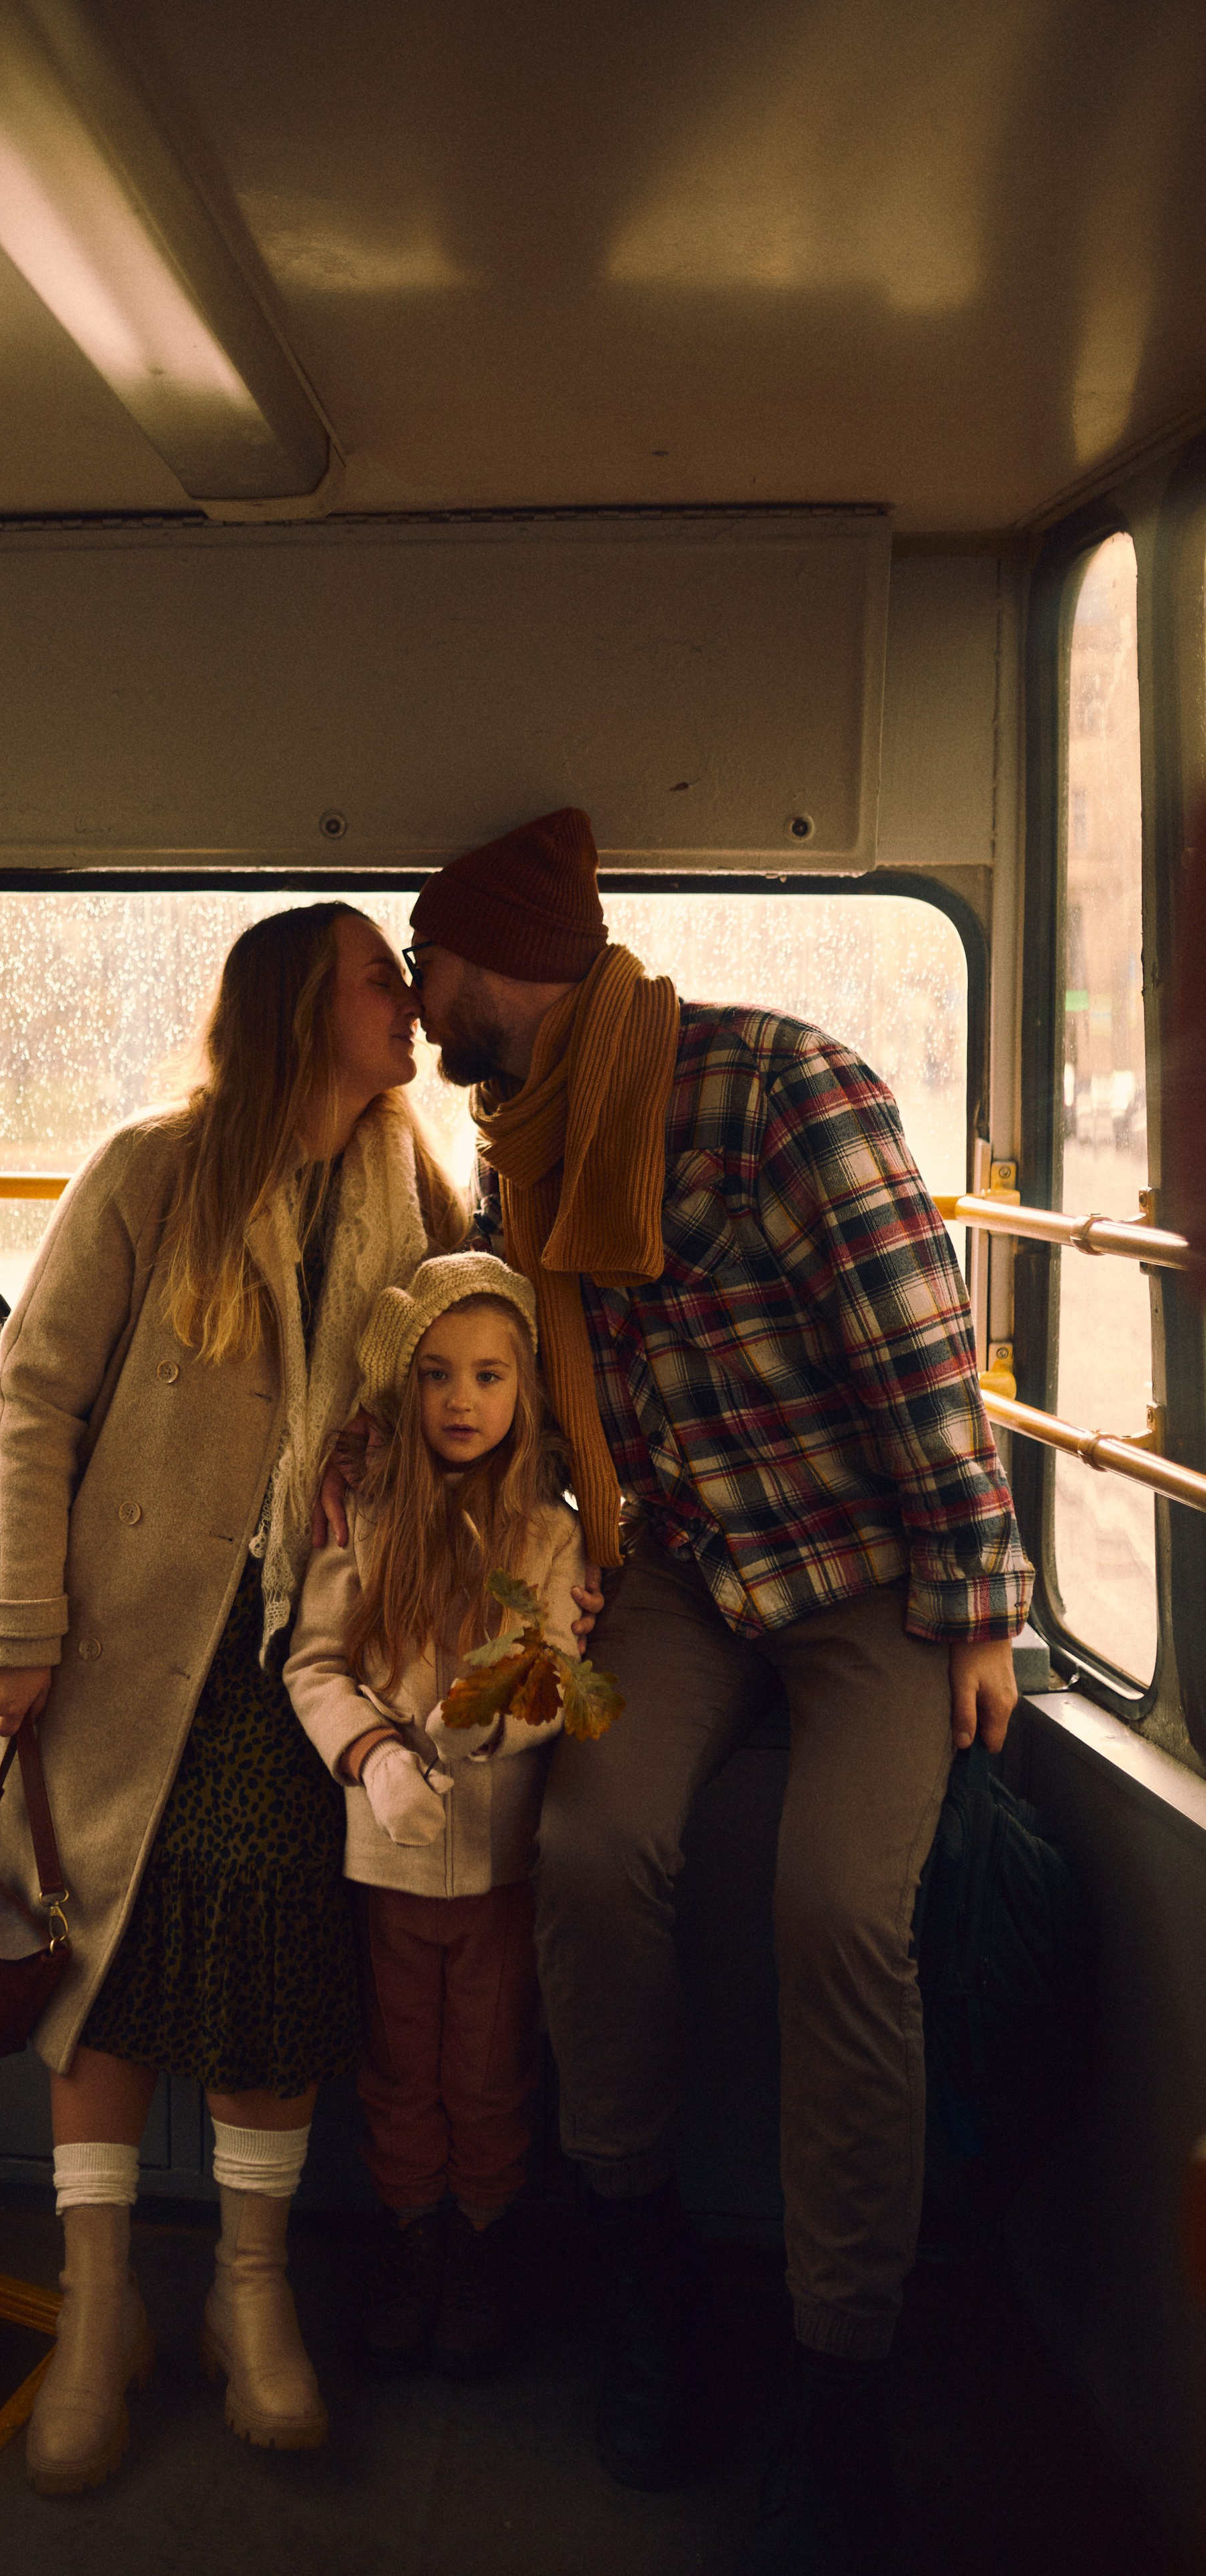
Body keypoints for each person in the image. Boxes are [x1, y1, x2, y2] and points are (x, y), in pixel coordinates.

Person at [402, 808, 1032, 2575]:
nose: (421, 998)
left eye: (429, 962)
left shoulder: (779, 1094)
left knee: (838, 1908)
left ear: (498, 959)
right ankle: (645, 2271)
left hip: (868, 1581)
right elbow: (518, 1375)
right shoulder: (516, 1148)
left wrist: (979, 1605)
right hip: (671, 1573)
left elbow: (920, 1364)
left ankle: (844, 2381)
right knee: (593, 1856)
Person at [0, 904, 462, 2496]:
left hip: (303, 1653)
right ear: (299, 1011)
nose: (411, 1006)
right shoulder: (149, 1173)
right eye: (382, 982)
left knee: (266, 1932)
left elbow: (469, 1372)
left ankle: (251, 2294)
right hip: (119, 1645)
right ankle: (94, 2309)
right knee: (90, 1957)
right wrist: (14, 1628)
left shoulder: (414, 1179)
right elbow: (31, 1396)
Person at [286, 1254, 586, 2378]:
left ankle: (483, 2244)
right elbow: (316, 1664)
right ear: (403, 1389)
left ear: (526, 1393)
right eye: (440, 1376)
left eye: (492, 1377)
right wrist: (372, 1757)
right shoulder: (364, 1517)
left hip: (502, 1859)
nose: (465, 1402)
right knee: (401, 2062)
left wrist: (485, 1719)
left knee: (493, 2064)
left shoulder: (549, 1538)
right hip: (389, 1859)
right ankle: (414, 2241)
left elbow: (553, 1671)